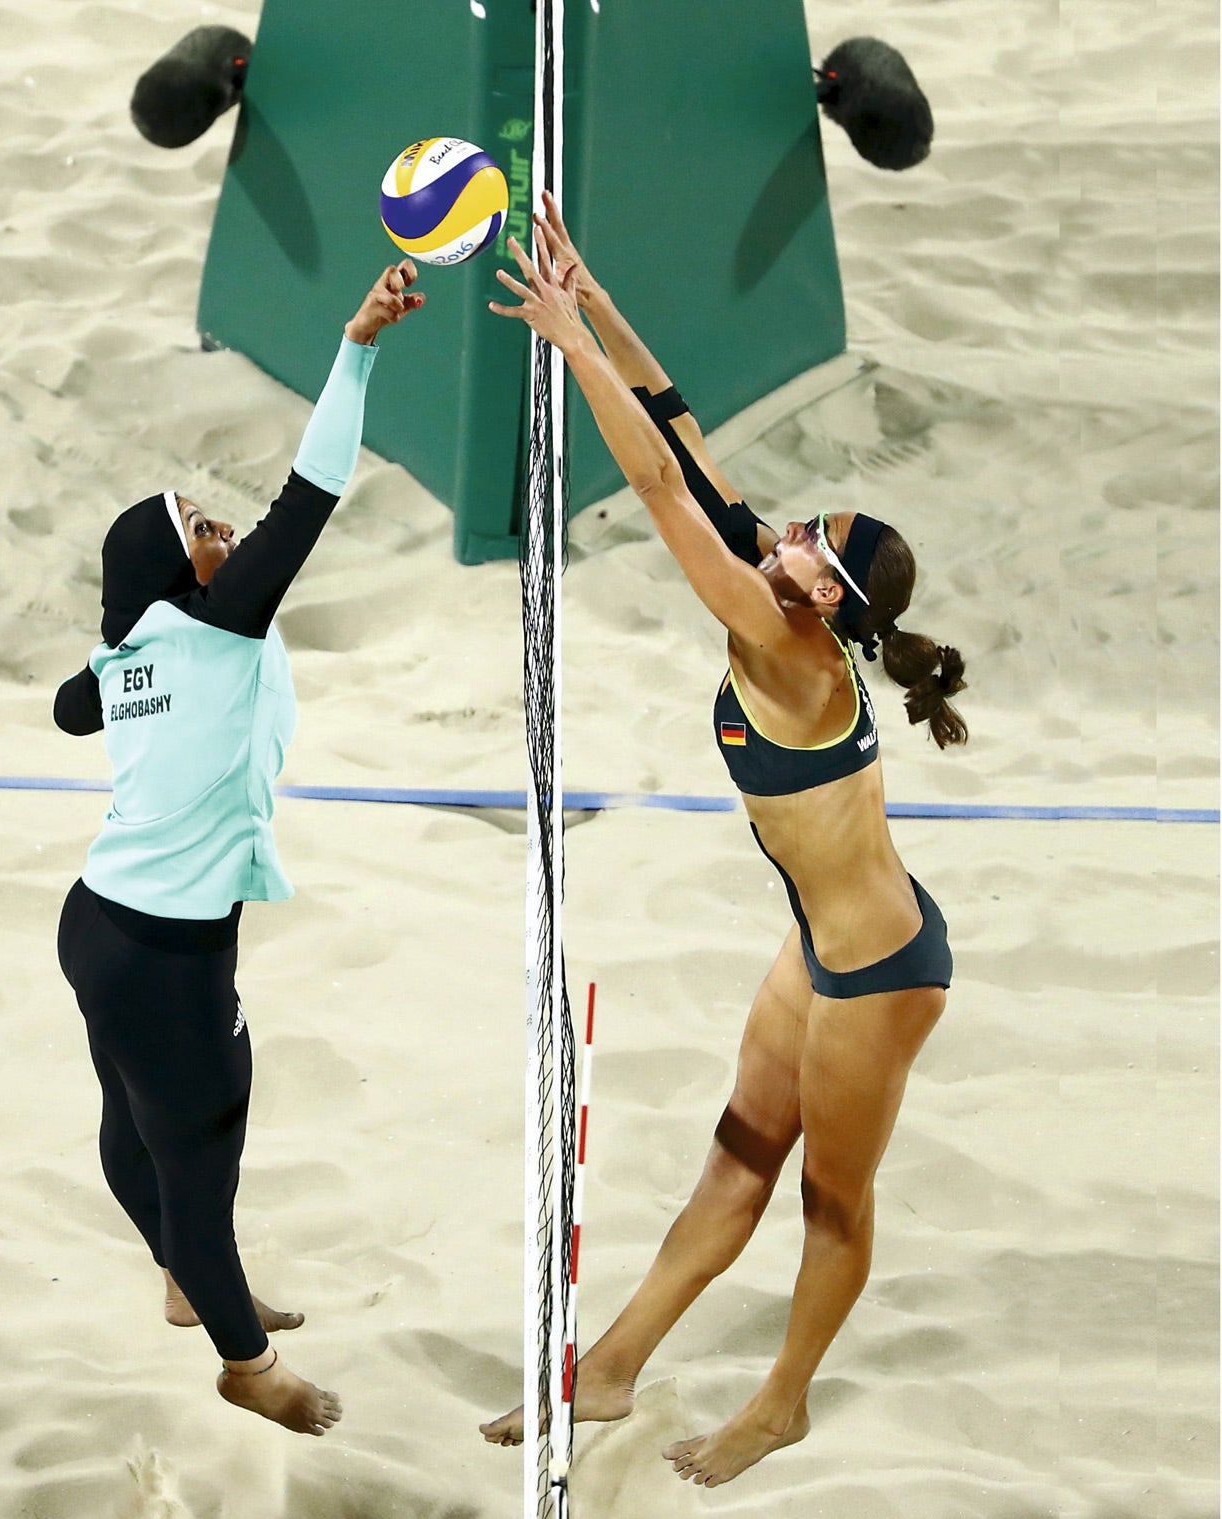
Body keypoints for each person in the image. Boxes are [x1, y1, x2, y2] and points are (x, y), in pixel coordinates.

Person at [480, 196, 967, 1487]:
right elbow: (684, 431)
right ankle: (613, 1364)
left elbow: (650, 486)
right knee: (738, 1151)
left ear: (826, 595)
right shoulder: (792, 594)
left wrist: (564, 347)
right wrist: (596, 301)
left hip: (884, 971)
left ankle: (784, 1400)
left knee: (830, 1199)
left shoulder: (785, 644)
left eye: (815, 542)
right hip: (822, 938)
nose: (794, 528)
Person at [54, 260, 426, 1435]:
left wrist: (122, 662)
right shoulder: (213, 628)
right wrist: (356, 344)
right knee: (200, 1156)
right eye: (204, 527)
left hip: (103, 928)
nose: (226, 529)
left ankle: (181, 1279)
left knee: (138, 1125)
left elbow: (73, 707)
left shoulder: (132, 656)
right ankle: (245, 1360)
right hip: (161, 956)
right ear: (181, 571)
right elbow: (310, 495)